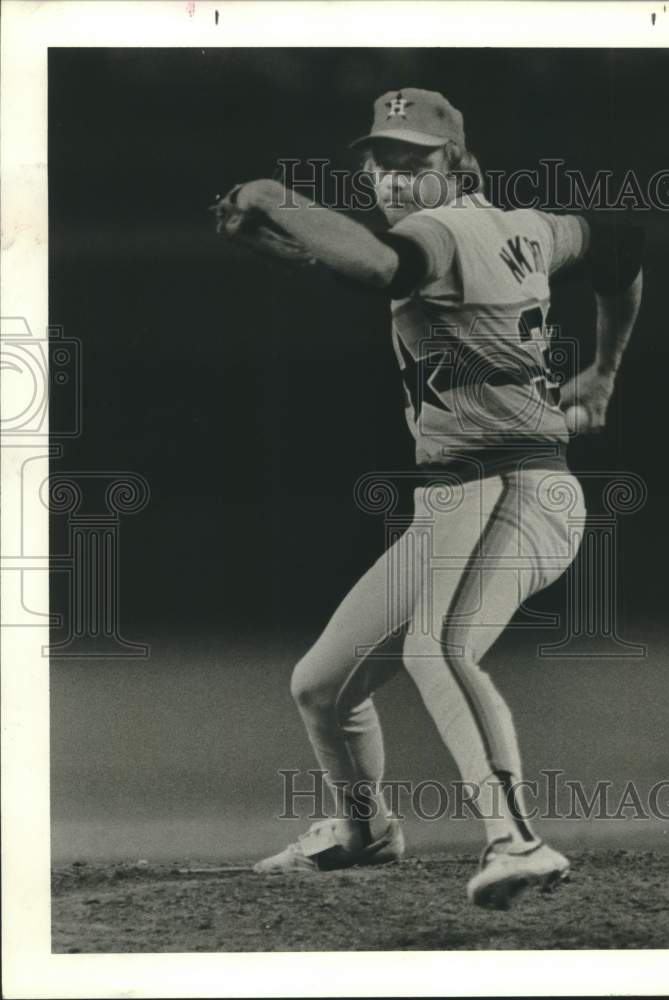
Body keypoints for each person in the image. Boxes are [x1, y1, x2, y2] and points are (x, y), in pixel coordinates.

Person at [216, 88, 643, 909]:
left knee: (437, 646)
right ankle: (365, 831)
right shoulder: (523, 227)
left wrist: (274, 199)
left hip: (516, 488)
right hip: (464, 501)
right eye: (380, 160)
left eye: (413, 161)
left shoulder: (438, 232)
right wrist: (606, 368)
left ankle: (517, 841)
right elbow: (623, 243)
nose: (392, 177)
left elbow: (383, 264)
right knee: (322, 684)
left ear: (458, 163)